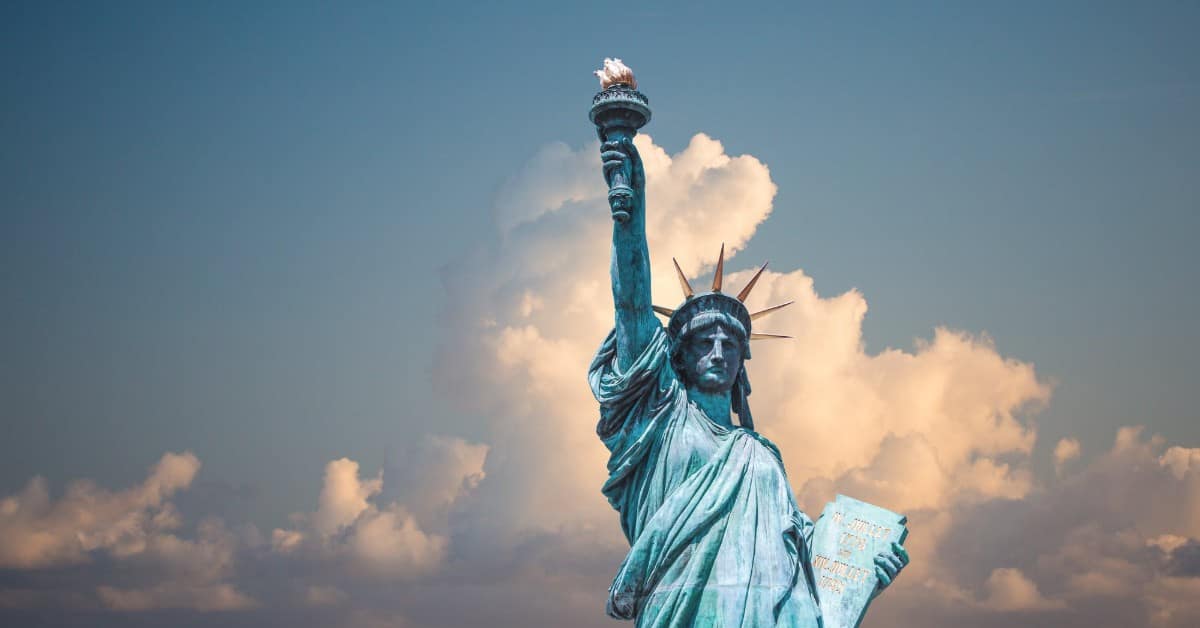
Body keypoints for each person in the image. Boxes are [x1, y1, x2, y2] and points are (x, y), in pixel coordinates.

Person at [589, 137, 907, 627]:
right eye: (703, 342)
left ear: (743, 361)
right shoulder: (657, 420)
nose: (717, 352)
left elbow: (807, 570)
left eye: (730, 345)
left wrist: (865, 572)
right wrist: (630, 209)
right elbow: (631, 303)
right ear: (679, 356)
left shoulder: (762, 457)